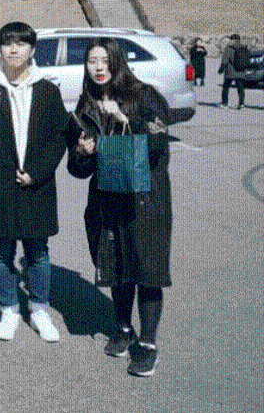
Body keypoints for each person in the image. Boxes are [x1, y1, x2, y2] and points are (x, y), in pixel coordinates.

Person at [66, 37, 172, 377]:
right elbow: (77, 170)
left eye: (104, 60)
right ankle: (124, 329)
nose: (98, 68)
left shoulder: (144, 95)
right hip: (106, 196)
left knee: (147, 269)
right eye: (92, 61)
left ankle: (149, 344)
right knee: (116, 264)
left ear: (117, 62)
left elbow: (158, 141)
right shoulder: (85, 105)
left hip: (144, 198)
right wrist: (82, 152)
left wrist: (126, 118)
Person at [0, 22, 67, 343]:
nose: (13, 49)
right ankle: (8, 309)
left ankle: (39, 309)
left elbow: (58, 138)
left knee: (38, 252)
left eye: (21, 44)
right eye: (7, 43)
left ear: (32, 50)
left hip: (36, 184)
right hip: (0, 183)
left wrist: (37, 171)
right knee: (2, 252)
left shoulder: (48, 90)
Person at [219, 33, 248, 109]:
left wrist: (221, 69)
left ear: (233, 40)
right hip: (241, 71)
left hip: (230, 71)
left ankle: (224, 103)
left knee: (226, 87)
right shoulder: (244, 48)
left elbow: (225, 60)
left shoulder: (229, 48)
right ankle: (241, 104)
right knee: (240, 88)